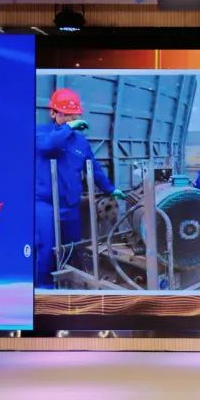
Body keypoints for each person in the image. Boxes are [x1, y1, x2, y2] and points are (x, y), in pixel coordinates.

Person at [35, 88, 125, 288]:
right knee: (45, 248)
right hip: (44, 204)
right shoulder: (41, 133)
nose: (70, 119)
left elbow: (94, 169)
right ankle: (44, 288)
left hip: (70, 204)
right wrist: (68, 128)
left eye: (73, 115)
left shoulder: (81, 142)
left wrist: (110, 189)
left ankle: (71, 286)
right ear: (53, 113)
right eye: (65, 114)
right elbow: (48, 145)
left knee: (73, 246)